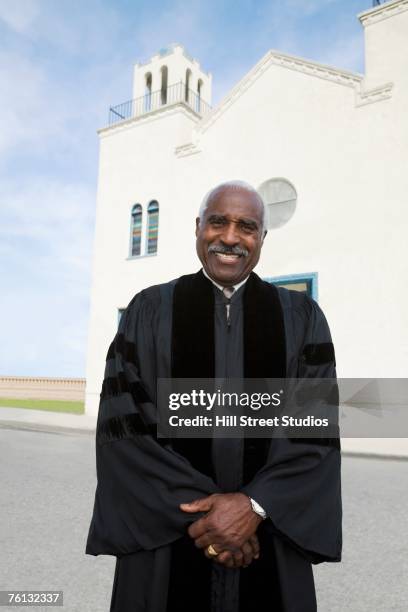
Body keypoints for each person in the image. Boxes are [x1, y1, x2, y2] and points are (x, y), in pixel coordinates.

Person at [86, 180, 342, 612]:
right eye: (218, 222)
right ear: (198, 227)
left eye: (246, 226)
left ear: (261, 238)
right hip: (167, 541)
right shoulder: (148, 310)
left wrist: (255, 507)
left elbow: (314, 429)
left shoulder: (301, 318)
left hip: (268, 536)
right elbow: (124, 431)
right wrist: (213, 518)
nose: (229, 237)